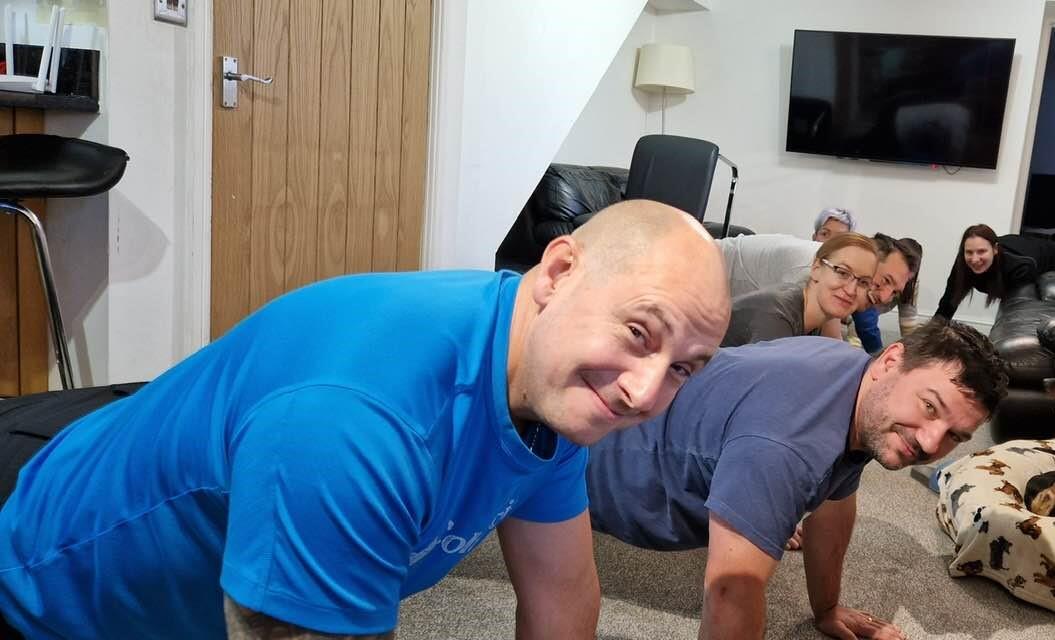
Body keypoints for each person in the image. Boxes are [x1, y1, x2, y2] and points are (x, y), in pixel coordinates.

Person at [0, 200, 733, 640]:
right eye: (641, 333)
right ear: (559, 272)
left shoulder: (558, 381)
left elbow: (563, 593)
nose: (643, 391)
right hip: (47, 592)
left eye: (682, 368)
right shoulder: (354, 424)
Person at [587, 319, 1009, 640]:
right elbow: (731, 593)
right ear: (892, 360)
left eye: (956, 435)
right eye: (930, 407)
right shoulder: (788, 446)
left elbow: (835, 502)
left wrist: (826, 608)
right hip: (595, 466)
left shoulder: (861, 382)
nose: (931, 441)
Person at [717, 232, 920, 349]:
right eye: (885, 280)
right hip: (701, 270)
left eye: (894, 292)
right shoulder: (814, 271)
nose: (884, 297)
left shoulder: (829, 283)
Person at [935, 223, 1055, 320]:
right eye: (969, 252)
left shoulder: (1019, 267)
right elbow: (947, 303)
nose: (975, 259)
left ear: (995, 249)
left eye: (982, 251)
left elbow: (1016, 309)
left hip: (1048, 255)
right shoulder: (963, 262)